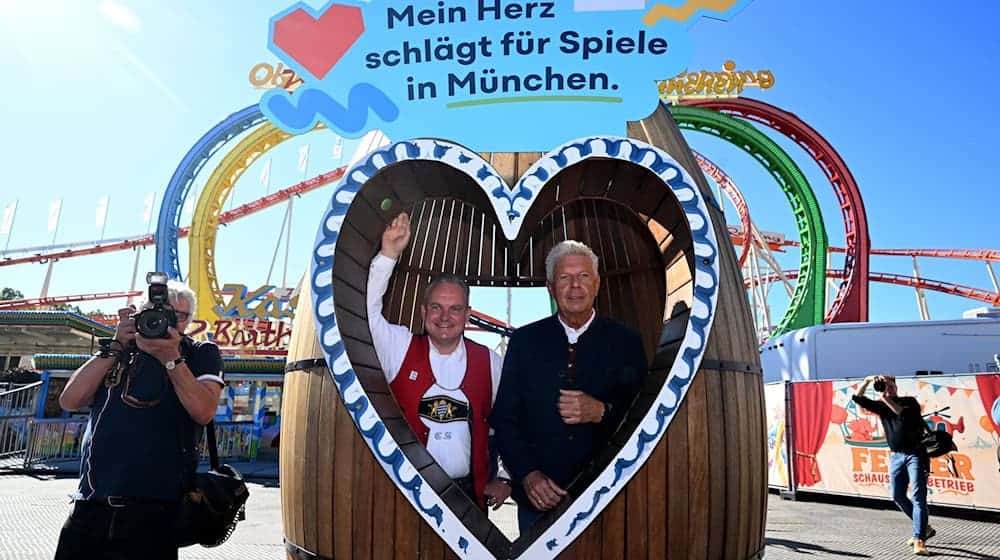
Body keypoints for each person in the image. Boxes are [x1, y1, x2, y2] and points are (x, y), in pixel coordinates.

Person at [55, 281, 225, 559]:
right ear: (138, 314)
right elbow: (69, 400)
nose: (164, 321)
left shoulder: (199, 353)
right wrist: (115, 346)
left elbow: (204, 411)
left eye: (177, 316)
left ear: (189, 321)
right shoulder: (118, 351)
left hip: (155, 513)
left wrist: (171, 358)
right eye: (156, 312)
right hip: (90, 506)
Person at [490, 240, 647, 533]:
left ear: (597, 284)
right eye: (565, 277)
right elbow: (505, 419)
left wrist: (601, 411)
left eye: (584, 276)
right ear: (551, 287)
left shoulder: (626, 342)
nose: (575, 286)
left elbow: (643, 415)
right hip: (538, 501)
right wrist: (527, 475)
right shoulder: (524, 342)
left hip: (609, 496)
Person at [367, 212, 511, 510]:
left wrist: (505, 478)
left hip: (469, 496)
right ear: (423, 312)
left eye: (455, 309)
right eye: (436, 307)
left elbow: (511, 422)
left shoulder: (489, 361)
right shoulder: (400, 347)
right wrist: (389, 254)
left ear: (467, 315)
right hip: (405, 494)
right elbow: (366, 315)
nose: (445, 317)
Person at [853, 375, 933, 556]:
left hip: (915, 454)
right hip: (897, 456)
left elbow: (902, 414)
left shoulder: (910, 402)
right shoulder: (881, 405)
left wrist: (884, 398)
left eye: (890, 386)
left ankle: (919, 539)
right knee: (897, 495)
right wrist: (867, 381)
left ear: (896, 387)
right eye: (885, 386)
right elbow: (857, 398)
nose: (888, 389)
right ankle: (924, 527)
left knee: (918, 497)